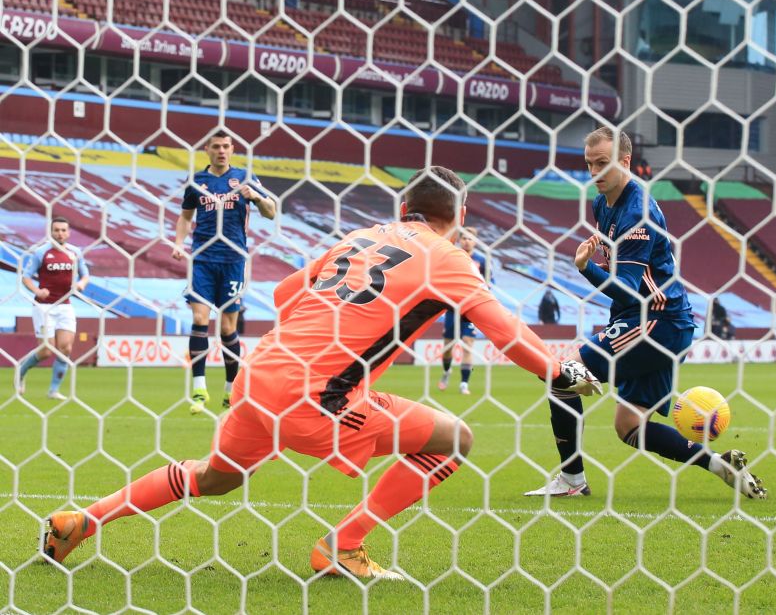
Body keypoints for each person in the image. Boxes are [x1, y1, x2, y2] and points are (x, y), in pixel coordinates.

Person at [42, 166, 600, 579]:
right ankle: (344, 544)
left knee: (216, 477)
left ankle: (81, 521)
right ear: (459, 217)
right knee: (454, 441)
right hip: (317, 398)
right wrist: (561, 372)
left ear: (404, 204)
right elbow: (505, 332)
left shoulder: (359, 237)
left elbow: (286, 294)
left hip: (259, 377)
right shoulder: (447, 257)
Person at [524, 128, 767, 499]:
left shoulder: (637, 212)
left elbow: (626, 288)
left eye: (602, 164)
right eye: (589, 165)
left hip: (655, 321)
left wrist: (585, 268)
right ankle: (720, 465)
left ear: (625, 162)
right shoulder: (603, 204)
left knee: (561, 375)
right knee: (629, 426)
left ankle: (572, 481)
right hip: (660, 321)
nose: (595, 173)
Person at [172, 130, 276, 413]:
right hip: (202, 260)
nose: (221, 151)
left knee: (228, 327)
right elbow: (185, 217)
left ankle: (231, 389)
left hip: (233, 261)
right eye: (216, 146)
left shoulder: (244, 177)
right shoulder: (197, 182)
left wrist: (254, 195)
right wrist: (179, 243)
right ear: (207, 149)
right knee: (199, 318)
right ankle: (199, 389)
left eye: (225, 146)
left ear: (232, 149)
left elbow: (271, 211)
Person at [17, 217, 90, 401]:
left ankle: (53, 390)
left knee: (65, 349)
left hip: (65, 306)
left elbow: (85, 274)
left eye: (63, 230)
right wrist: (37, 290)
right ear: (51, 232)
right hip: (44, 307)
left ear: (69, 232)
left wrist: (80, 285)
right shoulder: (41, 252)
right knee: (46, 350)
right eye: (56, 230)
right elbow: (26, 277)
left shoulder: (75, 252)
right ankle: (21, 371)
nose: (60, 233)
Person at [437, 226, 492, 395]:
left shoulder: (482, 261)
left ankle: (464, 384)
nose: (467, 241)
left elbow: (489, 283)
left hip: (471, 308)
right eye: (464, 238)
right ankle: (447, 371)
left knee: (468, 345)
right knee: (448, 347)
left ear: (475, 241)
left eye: (470, 238)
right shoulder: (452, 257)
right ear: (459, 240)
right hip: (453, 307)